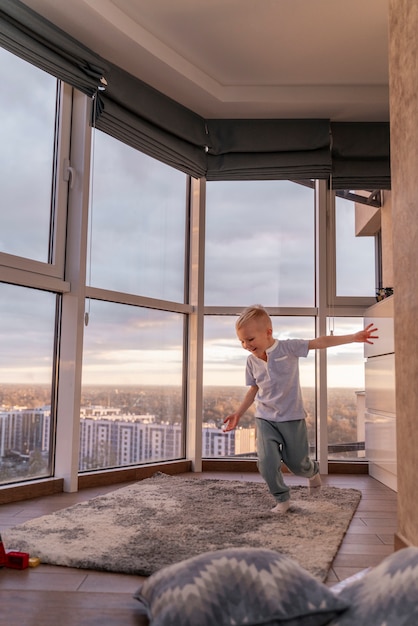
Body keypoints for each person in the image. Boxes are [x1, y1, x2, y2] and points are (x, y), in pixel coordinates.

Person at [222, 305, 378, 514]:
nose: (246, 345)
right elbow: (254, 389)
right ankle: (282, 498)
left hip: (292, 418)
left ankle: (312, 472)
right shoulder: (251, 361)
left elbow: (320, 342)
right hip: (265, 418)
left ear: (268, 332)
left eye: (250, 339)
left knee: (297, 464)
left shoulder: (288, 348)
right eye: (241, 341)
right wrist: (238, 413)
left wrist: (353, 337)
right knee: (267, 462)